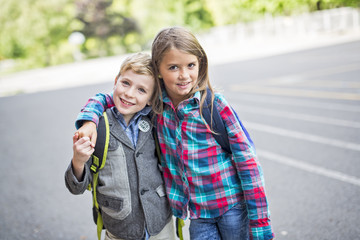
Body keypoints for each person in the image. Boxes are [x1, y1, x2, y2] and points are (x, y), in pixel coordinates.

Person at [75, 27, 274, 240]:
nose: (184, 75)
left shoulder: (215, 106)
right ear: (158, 70)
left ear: (200, 64)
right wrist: (88, 120)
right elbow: (111, 98)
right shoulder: (157, 108)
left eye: (191, 65)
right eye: (173, 67)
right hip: (198, 215)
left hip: (233, 207)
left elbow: (249, 164)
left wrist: (260, 224)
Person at [65, 52, 176, 240]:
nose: (129, 93)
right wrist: (78, 161)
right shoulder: (97, 126)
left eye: (142, 90)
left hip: (161, 225)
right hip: (119, 228)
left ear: (151, 98)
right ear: (116, 81)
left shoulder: (156, 120)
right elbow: (75, 188)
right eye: (126, 83)